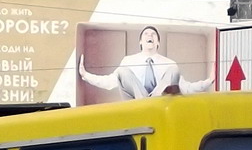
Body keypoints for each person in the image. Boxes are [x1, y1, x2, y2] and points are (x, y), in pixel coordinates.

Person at [78, 25, 213, 100]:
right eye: (146, 34)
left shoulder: (169, 64)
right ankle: (144, 103)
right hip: (136, 104)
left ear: (158, 42)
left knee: (174, 70)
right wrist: (85, 75)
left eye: (153, 34)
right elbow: (109, 82)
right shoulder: (129, 60)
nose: (150, 36)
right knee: (123, 72)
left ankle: (152, 103)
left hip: (160, 103)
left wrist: (209, 81)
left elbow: (186, 88)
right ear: (140, 42)